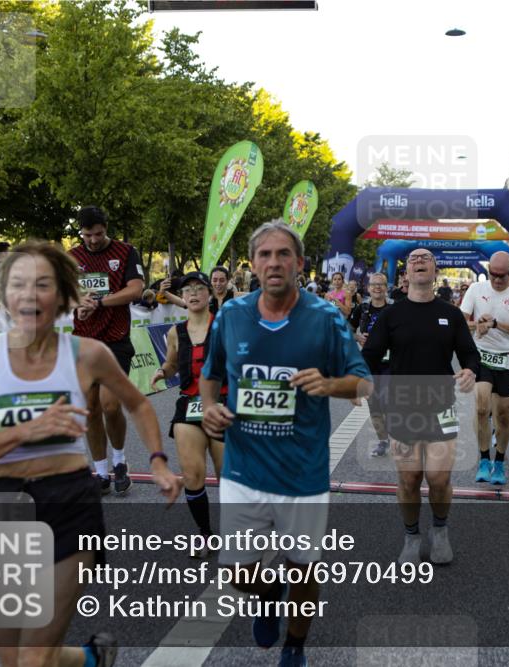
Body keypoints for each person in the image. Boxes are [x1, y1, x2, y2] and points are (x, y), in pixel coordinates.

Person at [0, 240, 180, 667]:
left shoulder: (87, 354)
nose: (29, 295)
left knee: (33, 658)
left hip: (69, 501)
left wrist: (159, 461)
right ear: (3, 294)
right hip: (1, 503)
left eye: (42, 285)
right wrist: (29, 430)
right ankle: (92, 658)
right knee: (13, 658)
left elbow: (140, 403)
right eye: (17, 285)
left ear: (66, 296)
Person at [199, 221, 371, 667]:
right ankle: (268, 592)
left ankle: (294, 645)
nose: (274, 262)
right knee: (238, 573)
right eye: (265, 255)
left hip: (303, 471)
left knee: (303, 570)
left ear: (298, 262)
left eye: (283, 254)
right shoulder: (232, 314)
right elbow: (211, 374)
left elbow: (364, 386)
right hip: (243, 466)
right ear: (253, 264)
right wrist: (210, 407)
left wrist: (330, 384)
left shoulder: (325, 317)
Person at [362, 248, 478, 565]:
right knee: (410, 478)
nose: (418, 261)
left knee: (439, 479)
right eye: (412, 259)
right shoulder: (391, 315)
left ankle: (439, 531)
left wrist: (470, 371)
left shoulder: (451, 314)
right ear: (406, 275)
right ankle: (411, 536)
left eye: (425, 258)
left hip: (441, 403)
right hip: (403, 405)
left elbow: (470, 354)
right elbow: (369, 355)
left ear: (434, 269)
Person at [68, 205, 146, 495]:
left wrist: (100, 302)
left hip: (115, 341)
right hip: (84, 342)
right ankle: (100, 472)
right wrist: (80, 304)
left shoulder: (126, 252)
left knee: (111, 405)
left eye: (98, 234)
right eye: (87, 235)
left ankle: (120, 460)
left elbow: (135, 290)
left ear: (106, 228)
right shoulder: (72, 257)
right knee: (90, 409)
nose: (92, 240)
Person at [151, 271, 223, 559]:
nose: (193, 294)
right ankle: (206, 536)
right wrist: (161, 372)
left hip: (223, 405)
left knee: (228, 477)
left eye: (199, 288)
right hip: (189, 405)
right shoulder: (174, 332)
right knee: (192, 474)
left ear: (209, 294)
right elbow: (170, 365)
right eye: (188, 289)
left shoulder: (225, 327)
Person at [459, 251, 509, 485]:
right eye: (493, 275)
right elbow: (460, 323)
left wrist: (495, 324)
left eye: (502, 276)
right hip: (481, 355)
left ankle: (499, 461)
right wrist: (476, 325)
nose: (497, 280)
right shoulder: (476, 290)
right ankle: (483, 459)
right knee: (481, 408)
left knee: (503, 414)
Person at [350, 272, 392, 457]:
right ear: (368, 288)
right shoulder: (362, 308)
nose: (377, 287)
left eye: (381, 284)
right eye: (374, 284)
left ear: (386, 288)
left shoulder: (394, 309)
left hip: (391, 362)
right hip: (369, 362)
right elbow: (346, 329)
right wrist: (358, 336)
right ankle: (383, 440)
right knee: (374, 405)